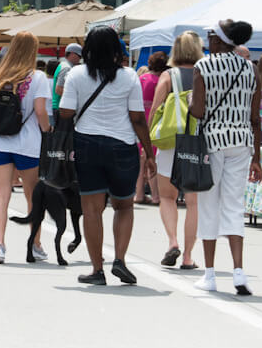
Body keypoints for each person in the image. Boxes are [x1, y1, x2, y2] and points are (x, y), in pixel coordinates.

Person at [59, 25, 154, 286]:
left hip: (86, 145)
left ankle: (97, 269)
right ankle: (120, 260)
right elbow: (138, 118)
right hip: (122, 146)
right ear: (116, 49)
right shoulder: (129, 76)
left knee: (92, 210)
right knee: (124, 205)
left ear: (87, 49)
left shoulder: (76, 74)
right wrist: (149, 152)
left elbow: (65, 113)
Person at [190, 20, 262, 295]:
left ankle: (209, 274)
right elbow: (255, 117)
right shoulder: (250, 68)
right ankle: (239, 272)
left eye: (210, 35)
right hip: (242, 142)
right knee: (234, 205)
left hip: (212, 141)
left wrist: (188, 102)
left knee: (209, 204)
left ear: (219, 40)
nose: (207, 40)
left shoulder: (204, 67)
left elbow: (197, 111)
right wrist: (257, 158)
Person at [0, 32, 51, 264]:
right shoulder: (38, 77)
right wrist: (47, 131)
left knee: (1, 196)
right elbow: (41, 111)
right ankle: (35, 244)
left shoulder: (0, 74)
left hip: (0, 142)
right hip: (28, 144)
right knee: (33, 196)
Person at [154, 30, 202, 270]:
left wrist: (147, 143)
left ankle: (173, 242)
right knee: (193, 202)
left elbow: (154, 110)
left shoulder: (168, 75)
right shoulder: (204, 74)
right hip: (195, 142)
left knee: (166, 196)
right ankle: (188, 256)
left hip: (170, 141)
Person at [134, 51, 167, 204]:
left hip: (138, 120)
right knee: (152, 159)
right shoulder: (162, 80)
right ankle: (155, 195)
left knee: (140, 161)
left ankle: (139, 194)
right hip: (154, 121)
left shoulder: (140, 78)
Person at [52, 42, 82, 112]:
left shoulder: (62, 64)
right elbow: (59, 89)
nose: (80, 59)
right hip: (61, 107)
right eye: (79, 56)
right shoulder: (67, 68)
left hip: (58, 105)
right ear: (72, 53)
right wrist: (75, 98)